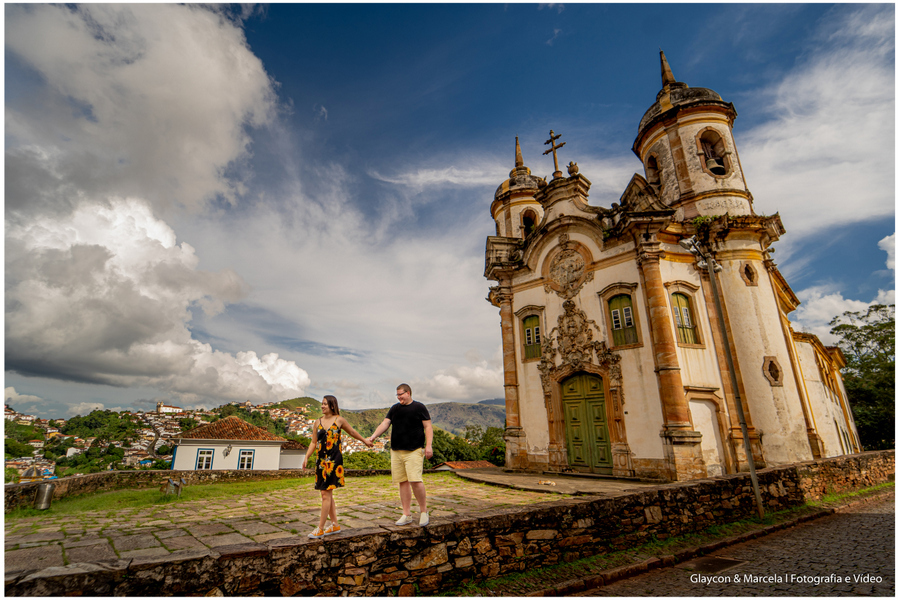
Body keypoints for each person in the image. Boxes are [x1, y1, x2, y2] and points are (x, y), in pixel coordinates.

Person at [301, 395, 373, 539]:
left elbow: (352, 432)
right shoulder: (317, 422)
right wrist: (307, 456)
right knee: (327, 493)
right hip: (321, 462)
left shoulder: (339, 420)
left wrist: (365, 440)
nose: (322, 406)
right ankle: (334, 524)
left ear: (332, 406)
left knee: (325, 494)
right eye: (322, 404)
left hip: (334, 462)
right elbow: (313, 443)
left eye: (325, 404)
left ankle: (320, 528)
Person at [366, 383, 433, 526]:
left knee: (415, 480)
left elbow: (428, 427)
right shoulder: (394, 409)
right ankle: (406, 514)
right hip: (396, 451)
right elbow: (385, 424)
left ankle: (423, 511)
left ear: (408, 393)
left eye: (400, 394)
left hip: (414, 450)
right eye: (397, 395)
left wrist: (428, 446)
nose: (399, 397)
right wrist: (373, 437)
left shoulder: (419, 407)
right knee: (402, 482)